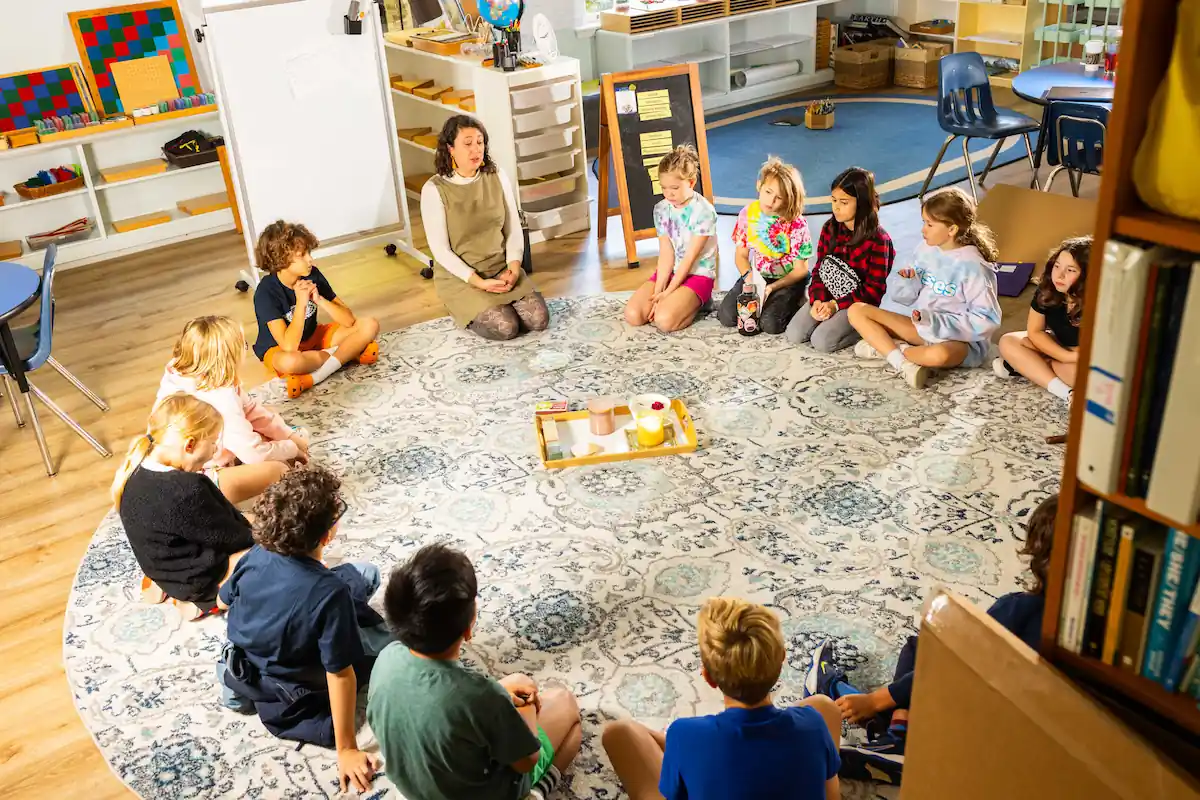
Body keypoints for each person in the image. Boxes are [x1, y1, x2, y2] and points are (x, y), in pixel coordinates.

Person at [805, 494, 1059, 783]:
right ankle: (892, 726)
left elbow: (947, 668)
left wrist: (875, 700)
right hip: (1029, 743)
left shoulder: (1020, 610)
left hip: (971, 728)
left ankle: (886, 728)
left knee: (923, 650)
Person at [216, 466, 392, 795]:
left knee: (360, 575)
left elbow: (222, 600)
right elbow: (340, 674)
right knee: (390, 640)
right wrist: (347, 749)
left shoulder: (256, 554)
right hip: (297, 679)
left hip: (252, 655)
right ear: (327, 535)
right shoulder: (329, 593)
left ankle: (236, 686)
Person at [368, 544, 582, 800]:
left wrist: (501, 695)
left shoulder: (387, 658)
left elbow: (439, 705)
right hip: (484, 792)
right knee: (567, 709)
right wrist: (525, 710)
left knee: (514, 683)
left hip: (415, 788)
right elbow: (526, 761)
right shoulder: (481, 696)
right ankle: (534, 793)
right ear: (469, 628)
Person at [602, 597, 842, 800]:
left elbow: (675, 795)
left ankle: (681, 746)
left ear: (707, 676)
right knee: (823, 705)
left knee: (619, 732)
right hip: (786, 740)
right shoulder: (813, 725)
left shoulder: (684, 734)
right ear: (782, 660)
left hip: (693, 742)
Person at [114, 394, 254, 621]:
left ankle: (163, 587)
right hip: (197, 580)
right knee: (274, 550)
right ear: (189, 444)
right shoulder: (188, 489)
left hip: (163, 569)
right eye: (213, 442)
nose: (215, 451)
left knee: (247, 520)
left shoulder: (133, 472)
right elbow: (236, 538)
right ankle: (208, 599)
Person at [848, 187, 1002, 389]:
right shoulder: (925, 250)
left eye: (929, 224)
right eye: (923, 223)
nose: (923, 230)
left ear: (952, 229)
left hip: (960, 341)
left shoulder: (974, 267)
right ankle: (903, 362)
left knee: (938, 355)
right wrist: (907, 282)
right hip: (922, 329)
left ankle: (887, 349)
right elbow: (904, 298)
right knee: (857, 311)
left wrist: (935, 321)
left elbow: (987, 320)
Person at [421, 115, 549, 341]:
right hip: (462, 278)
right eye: (467, 143)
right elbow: (440, 250)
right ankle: (458, 306)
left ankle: (500, 296)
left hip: (500, 267)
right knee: (506, 327)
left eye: (480, 142)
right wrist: (478, 281)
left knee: (538, 320)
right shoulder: (434, 189)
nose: (475, 150)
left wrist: (514, 267)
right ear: (450, 148)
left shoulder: (497, 176)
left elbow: (512, 228)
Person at [158, 315, 303, 499]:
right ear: (228, 359)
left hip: (169, 468)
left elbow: (250, 409)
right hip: (189, 485)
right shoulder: (221, 398)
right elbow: (254, 455)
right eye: (243, 346)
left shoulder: (179, 370)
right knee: (278, 470)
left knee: (265, 421)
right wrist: (292, 448)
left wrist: (288, 436)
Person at [251, 220, 381, 398]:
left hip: (314, 337)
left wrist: (320, 300)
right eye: (302, 255)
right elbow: (289, 346)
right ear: (282, 259)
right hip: (279, 349)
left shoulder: (313, 274)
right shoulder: (266, 292)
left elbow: (349, 320)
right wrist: (301, 303)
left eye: (309, 253)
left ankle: (314, 376)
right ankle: (349, 353)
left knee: (369, 325)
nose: (310, 259)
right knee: (290, 362)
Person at [785, 167, 895, 352]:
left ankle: (869, 327)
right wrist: (818, 299)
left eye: (844, 202)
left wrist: (836, 306)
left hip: (857, 304)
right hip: (828, 296)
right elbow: (820, 269)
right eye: (834, 200)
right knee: (794, 334)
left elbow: (873, 291)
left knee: (822, 342)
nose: (836, 207)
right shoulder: (830, 228)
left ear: (861, 203)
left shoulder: (879, 241)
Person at [624, 145, 719, 333]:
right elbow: (667, 254)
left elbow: (689, 259)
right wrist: (659, 291)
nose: (669, 194)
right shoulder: (661, 209)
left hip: (697, 274)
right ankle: (678, 302)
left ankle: (700, 303)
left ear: (691, 183)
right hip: (672, 272)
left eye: (675, 188)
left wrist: (669, 292)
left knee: (664, 321)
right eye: (664, 188)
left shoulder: (704, 211)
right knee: (634, 315)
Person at [717, 157, 814, 335]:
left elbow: (801, 269)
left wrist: (772, 288)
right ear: (759, 186)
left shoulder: (797, 223)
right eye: (768, 192)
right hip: (758, 276)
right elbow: (741, 255)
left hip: (788, 280)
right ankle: (768, 299)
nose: (771, 201)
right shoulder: (747, 214)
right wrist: (750, 280)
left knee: (770, 324)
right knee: (727, 317)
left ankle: (797, 300)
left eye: (779, 198)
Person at [995, 236, 1093, 403]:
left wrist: (1056, 356)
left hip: (1084, 357)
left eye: (1070, 270)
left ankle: (1026, 366)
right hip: (1061, 350)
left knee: (1085, 378)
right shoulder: (1047, 289)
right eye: (1057, 266)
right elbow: (1035, 331)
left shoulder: (1097, 301)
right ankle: (1067, 393)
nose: (1059, 275)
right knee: (1008, 341)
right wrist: (1064, 357)